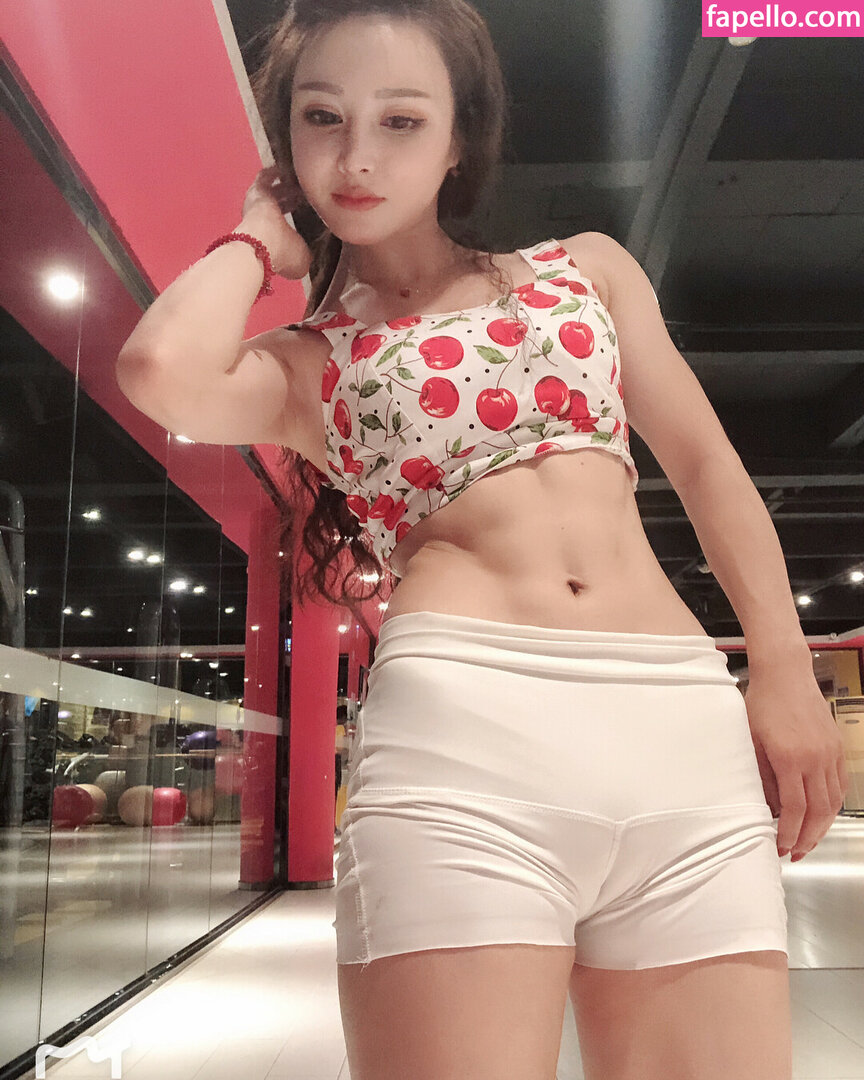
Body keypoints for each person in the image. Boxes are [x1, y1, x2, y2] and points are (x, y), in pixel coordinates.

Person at [116, 2, 848, 1077]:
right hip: (465, 749)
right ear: (288, 143)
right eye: (322, 118)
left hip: (679, 728)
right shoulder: (308, 363)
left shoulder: (586, 270)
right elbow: (157, 370)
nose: (356, 157)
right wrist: (258, 235)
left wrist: (783, 667)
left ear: (460, 138)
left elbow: (707, 468)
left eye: (401, 120)